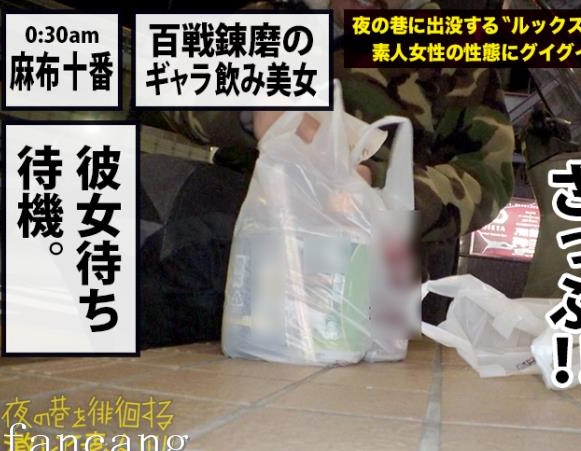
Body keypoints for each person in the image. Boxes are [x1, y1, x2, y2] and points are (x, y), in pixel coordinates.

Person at [142, 0, 514, 343]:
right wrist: (252, 108)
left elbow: (488, 174)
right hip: (249, 230)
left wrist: (378, 187)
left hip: (372, 264)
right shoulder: (271, 18)